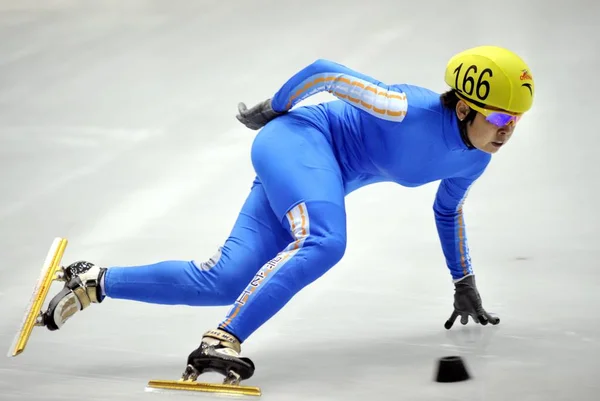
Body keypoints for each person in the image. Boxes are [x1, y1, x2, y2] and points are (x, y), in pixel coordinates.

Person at [40, 45, 534, 382]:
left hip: (314, 176)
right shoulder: (406, 106)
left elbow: (448, 213)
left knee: (223, 280)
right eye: (499, 117)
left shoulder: (476, 157)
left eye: (517, 121)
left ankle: (93, 280)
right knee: (325, 241)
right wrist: (274, 106)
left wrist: (463, 279)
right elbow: (324, 72)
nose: (508, 130)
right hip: (298, 141)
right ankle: (222, 341)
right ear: (465, 107)